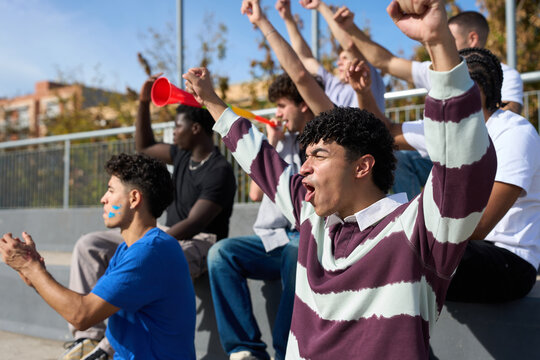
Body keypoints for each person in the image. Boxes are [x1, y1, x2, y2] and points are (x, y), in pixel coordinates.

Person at [183, 0, 497, 357]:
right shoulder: (311, 221)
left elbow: (463, 164)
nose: (302, 167)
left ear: (362, 167)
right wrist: (211, 102)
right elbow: (260, 161)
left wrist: (438, 41)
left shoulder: (418, 230)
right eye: (304, 156)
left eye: (318, 155)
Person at [62, 76, 237, 359]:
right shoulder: (182, 155)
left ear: (195, 128)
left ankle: (107, 349)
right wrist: (143, 103)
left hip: (202, 240)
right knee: (89, 245)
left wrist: (147, 245)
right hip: (161, 234)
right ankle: (88, 341)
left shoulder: (219, 170)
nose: (173, 134)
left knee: (144, 267)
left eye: (177, 127)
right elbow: (143, 146)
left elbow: (194, 223)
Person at [349, 46, 540, 302]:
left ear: (473, 90)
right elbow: (386, 132)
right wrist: (363, 93)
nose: (433, 95)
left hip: (510, 260)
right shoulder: (447, 129)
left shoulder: (514, 132)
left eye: (442, 86)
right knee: (375, 243)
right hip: (460, 248)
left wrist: (405, 224)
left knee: (403, 249)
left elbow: (480, 226)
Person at [0, 153, 197, 360]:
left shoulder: (149, 253)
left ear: (134, 198)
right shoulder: (128, 250)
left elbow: (81, 315)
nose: (103, 198)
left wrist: (31, 267)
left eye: (111, 190)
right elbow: (88, 305)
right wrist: (34, 276)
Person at [333, 6, 524, 199]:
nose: (443, 44)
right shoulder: (438, 97)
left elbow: (507, 114)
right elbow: (386, 62)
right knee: (398, 158)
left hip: (487, 164)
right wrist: (350, 30)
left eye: (449, 39)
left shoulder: (509, 123)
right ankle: (406, 218)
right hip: (438, 157)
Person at [207, 73, 321, 360]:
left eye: (282, 105)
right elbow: (257, 195)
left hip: (302, 240)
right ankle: (246, 349)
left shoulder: (322, 145)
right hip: (272, 240)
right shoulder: (281, 141)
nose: (277, 113)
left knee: (296, 251)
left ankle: (286, 353)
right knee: (220, 253)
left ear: (303, 105)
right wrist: (272, 143)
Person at [275, 0, 386, 111]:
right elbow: (305, 57)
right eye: (339, 58)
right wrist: (288, 18)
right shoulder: (333, 85)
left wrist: (320, 6)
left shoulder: (370, 79)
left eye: (345, 58)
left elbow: (349, 46)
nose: (339, 63)